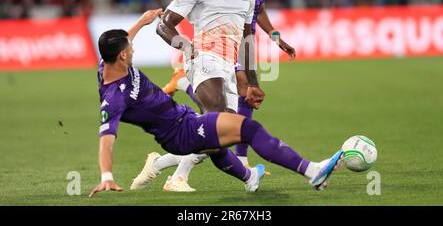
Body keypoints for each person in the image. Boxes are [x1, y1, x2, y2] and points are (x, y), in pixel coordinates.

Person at [88, 10, 343, 197]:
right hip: (180, 132)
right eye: (129, 48)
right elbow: (106, 141)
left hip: (182, 119)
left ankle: (249, 177)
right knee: (248, 129)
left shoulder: (107, 63)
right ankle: (312, 171)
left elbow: (125, 39)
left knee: (218, 150)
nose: (133, 49)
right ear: (122, 55)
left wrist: (143, 22)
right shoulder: (113, 98)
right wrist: (107, 176)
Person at [135, 0, 297, 192]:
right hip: (212, 46)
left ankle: (165, 163)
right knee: (221, 119)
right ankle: (189, 174)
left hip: (239, 42)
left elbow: (258, 7)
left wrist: (274, 35)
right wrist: (182, 24)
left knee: (223, 123)